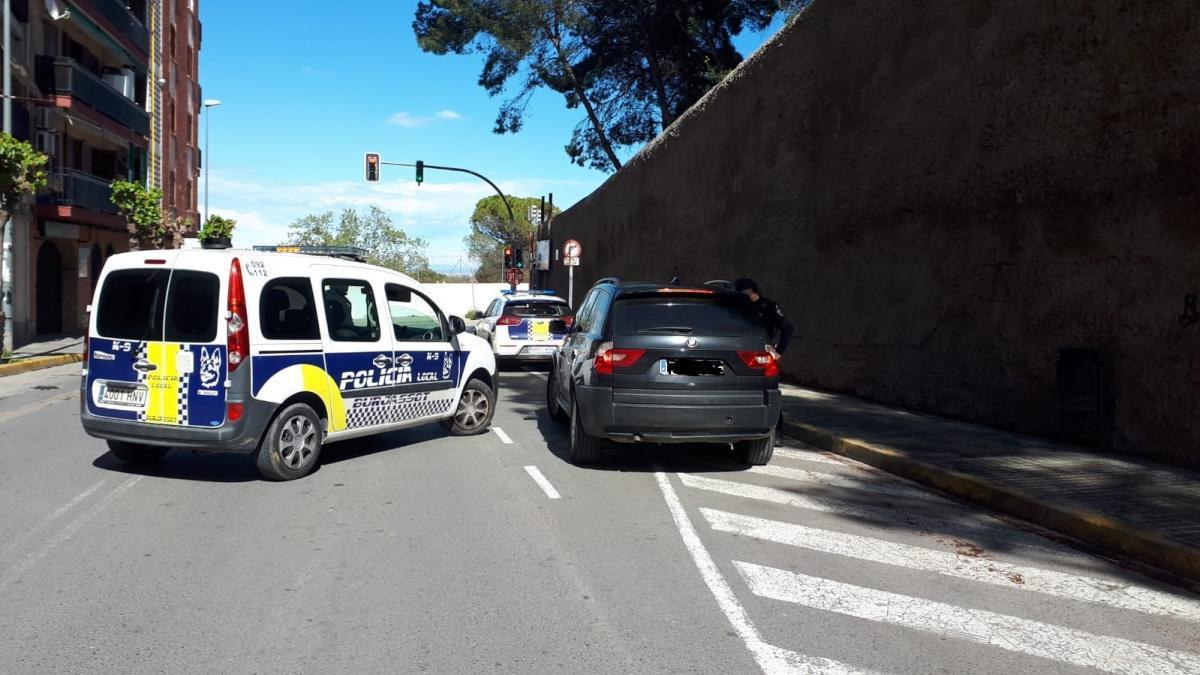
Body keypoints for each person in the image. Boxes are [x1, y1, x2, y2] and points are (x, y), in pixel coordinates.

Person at [734, 278, 793, 357]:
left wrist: (779, 351)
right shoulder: (739, 306)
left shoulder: (768, 306)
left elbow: (787, 328)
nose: (738, 295)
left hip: (759, 350)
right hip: (737, 347)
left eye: (740, 292)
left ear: (749, 291)